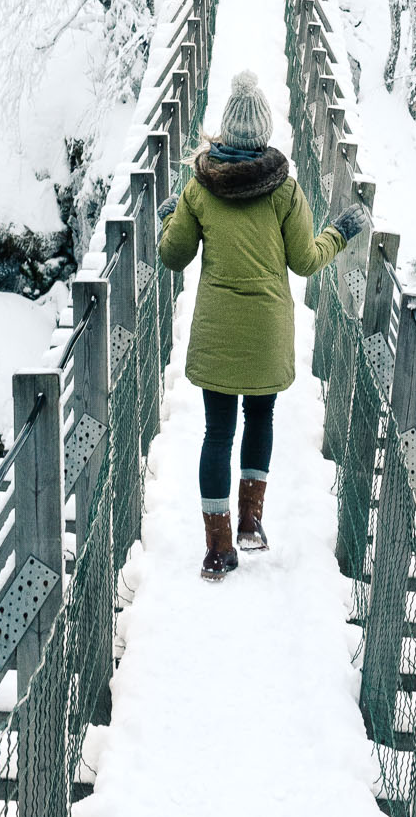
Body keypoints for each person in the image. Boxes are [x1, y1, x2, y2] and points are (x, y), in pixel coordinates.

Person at [156, 68, 367, 580]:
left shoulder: (198, 190)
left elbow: (172, 255)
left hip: (217, 335)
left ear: (225, 133)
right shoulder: (285, 191)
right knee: (260, 420)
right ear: (265, 134)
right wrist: (338, 233)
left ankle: (217, 549)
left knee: (216, 433)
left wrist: (169, 217)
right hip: (267, 332)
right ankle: (251, 522)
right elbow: (305, 261)